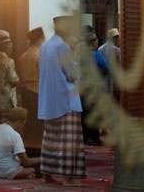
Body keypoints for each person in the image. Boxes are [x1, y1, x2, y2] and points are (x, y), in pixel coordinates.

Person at [38, 16, 86, 186]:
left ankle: (47, 174)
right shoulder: (62, 47)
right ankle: (67, 177)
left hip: (49, 101)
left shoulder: (44, 46)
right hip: (66, 101)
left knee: (51, 139)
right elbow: (73, 74)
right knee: (69, 141)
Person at [0, 107, 41, 180]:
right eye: (23, 124)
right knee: (41, 169)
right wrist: (43, 159)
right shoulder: (14, 134)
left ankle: (26, 174)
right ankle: (25, 173)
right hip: (11, 171)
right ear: (20, 121)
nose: (23, 127)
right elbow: (26, 162)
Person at [17, 27, 45, 148]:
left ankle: (28, 146)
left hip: (26, 90)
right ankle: (38, 146)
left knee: (29, 120)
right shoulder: (41, 55)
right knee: (39, 122)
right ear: (39, 39)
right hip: (38, 90)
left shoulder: (23, 56)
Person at [81, 32, 108, 145]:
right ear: (93, 42)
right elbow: (106, 68)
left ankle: (85, 138)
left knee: (85, 114)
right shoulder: (96, 55)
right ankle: (95, 139)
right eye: (97, 40)